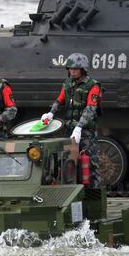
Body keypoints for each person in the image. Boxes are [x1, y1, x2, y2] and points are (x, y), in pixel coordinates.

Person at [40, 52, 102, 188]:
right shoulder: (67, 84)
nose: (72, 71)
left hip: (86, 133)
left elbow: (91, 109)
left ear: (83, 69)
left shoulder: (93, 86)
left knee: (90, 165)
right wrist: (50, 113)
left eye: (75, 69)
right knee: (68, 165)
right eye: (70, 69)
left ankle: (94, 198)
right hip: (69, 131)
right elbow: (60, 100)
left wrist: (79, 127)